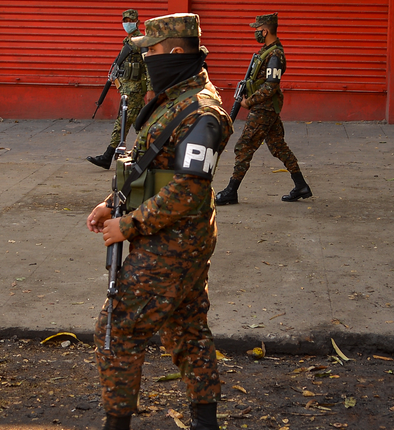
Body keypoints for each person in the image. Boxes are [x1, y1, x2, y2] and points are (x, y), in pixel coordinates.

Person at [86, 13, 232, 430]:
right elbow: (153, 169)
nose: (146, 57)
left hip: (173, 242)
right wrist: (113, 201)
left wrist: (127, 225)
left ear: (175, 52)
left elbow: (189, 189)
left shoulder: (201, 112)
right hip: (174, 237)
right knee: (187, 328)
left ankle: (117, 424)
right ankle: (206, 422)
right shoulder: (174, 98)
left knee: (117, 327)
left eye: (150, 50)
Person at [214, 12, 312, 205]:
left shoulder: (275, 54)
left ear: (265, 30)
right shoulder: (266, 51)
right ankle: (301, 185)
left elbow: (271, 86)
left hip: (263, 109)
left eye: (258, 30)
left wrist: (248, 102)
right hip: (266, 108)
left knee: (244, 146)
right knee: (278, 146)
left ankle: (231, 191)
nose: (256, 33)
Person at [87, 9, 156, 170]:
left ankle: (109, 155)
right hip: (127, 89)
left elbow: (148, 66)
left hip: (135, 90)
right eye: (124, 20)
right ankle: (148, 153)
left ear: (137, 22)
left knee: (123, 122)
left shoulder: (141, 41)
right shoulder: (128, 41)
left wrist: (151, 89)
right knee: (139, 122)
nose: (127, 23)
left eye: (130, 20)